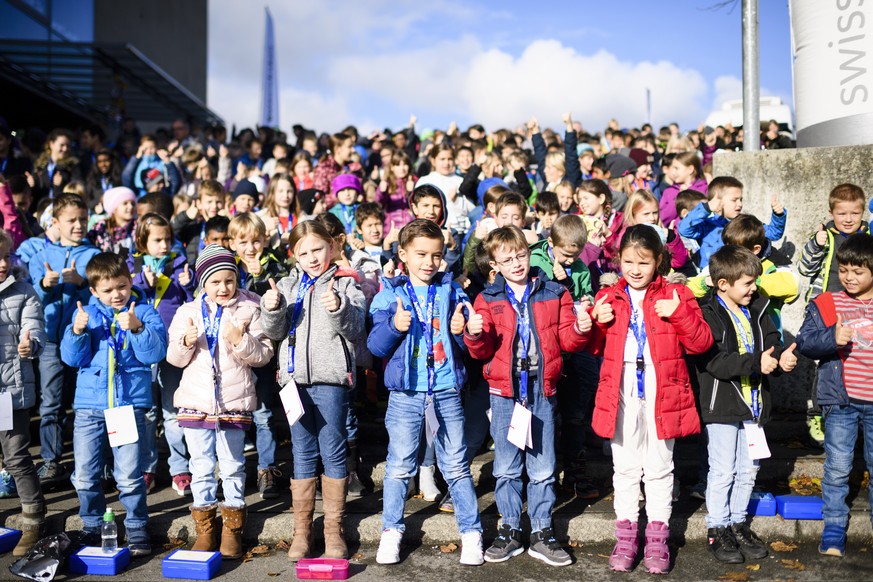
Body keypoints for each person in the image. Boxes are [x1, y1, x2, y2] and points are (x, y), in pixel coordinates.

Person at [588, 225, 713, 574]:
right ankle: (626, 537)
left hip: (664, 389)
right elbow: (591, 347)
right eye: (628, 261)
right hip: (622, 389)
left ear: (659, 260)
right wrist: (596, 324)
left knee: (659, 467)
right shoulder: (609, 296)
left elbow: (701, 343)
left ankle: (658, 538)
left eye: (644, 261)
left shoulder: (677, 294)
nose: (635, 269)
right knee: (625, 467)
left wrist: (679, 314)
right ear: (618, 261)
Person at [465, 226, 591, 566]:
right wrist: (473, 334)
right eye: (507, 259)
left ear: (529, 252)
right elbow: (482, 350)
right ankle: (509, 528)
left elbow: (567, 340)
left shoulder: (553, 291)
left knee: (543, 466)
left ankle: (541, 530)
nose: (517, 263)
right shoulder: (488, 298)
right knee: (506, 467)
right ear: (495, 265)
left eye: (521, 255)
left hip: (541, 388)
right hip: (504, 392)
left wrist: (580, 329)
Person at [368, 219, 484, 567]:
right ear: (402, 254)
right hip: (405, 394)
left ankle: (471, 532)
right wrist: (394, 326)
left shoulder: (454, 293)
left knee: (456, 466)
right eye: (420, 254)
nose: (429, 262)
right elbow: (374, 345)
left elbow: (466, 346)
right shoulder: (389, 296)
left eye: (436, 255)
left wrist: (465, 333)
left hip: (446, 391)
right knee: (399, 467)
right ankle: (391, 530)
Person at [261, 220, 366, 560]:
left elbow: (355, 328)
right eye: (303, 252)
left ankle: (333, 532)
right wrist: (273, 307)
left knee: (333, 449)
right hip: (293, 381)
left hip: (330, 379)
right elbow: (275, 332)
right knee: (303, 452)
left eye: (318, 249)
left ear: (332, 247)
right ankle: (302, 532)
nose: (312, 257)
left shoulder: (347, 283)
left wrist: (337, 307)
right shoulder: (288, 285)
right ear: (294, 255)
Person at [166, 244, 274, 558]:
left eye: (229, 280)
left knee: (232, 466)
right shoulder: (187, 312)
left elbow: (263, 356)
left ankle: (232, 530)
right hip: (196, 404)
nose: (223, 287)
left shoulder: (250, 308)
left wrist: (241, 340)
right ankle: (205, 530)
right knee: (200, 467)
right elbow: (174, 358)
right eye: (215, 282)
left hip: (233, 402)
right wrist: (186, 342)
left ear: (237, 278)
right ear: (203, 283)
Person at [60, 252, 168, 556]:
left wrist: (136, 328)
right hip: (89, 406)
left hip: (127, 405)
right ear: (93, 291)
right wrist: (77, 331)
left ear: (130, 281)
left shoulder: (145, 312)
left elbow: (154, 354)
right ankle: (92, 525)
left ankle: (136, 527)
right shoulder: (86, 313)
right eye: (107, 290)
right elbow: (71, 358)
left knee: (130, 474)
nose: (116, 295)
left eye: (121, 286)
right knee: (84, 472)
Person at [695, 245, 795, 564]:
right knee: (723, 470)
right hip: (722, 405)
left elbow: (772, 343)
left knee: (748, 469)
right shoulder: (707, 312)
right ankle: (717, 527)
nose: (754, 289)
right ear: (723, 283)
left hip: (754, 405)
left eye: (755, 283)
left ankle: (738, 522)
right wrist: (755, 363)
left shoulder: (758, 308)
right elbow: (714, 361)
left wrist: (781, 358)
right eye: (748, 283)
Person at [796, 232, 873, 559]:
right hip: (840, 401)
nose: (849, 277)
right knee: (838, 467)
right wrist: (833, 337)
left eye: (858, 272)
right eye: (844, 270)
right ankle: (834, 529)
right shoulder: (828, 302)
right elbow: (805, 342)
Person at [28, 194, 101, 485]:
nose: (79, 225)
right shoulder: (40, 256)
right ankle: (50, 460)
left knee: (84, 402)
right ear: (55, 222)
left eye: (83, 219)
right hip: (50, 341)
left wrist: (82, 284)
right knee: (51, 403)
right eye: (71, 220)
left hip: (84, 339)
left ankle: (91, 461)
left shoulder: (93, 255)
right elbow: (32, 297)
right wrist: (45, 285)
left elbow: (103, 296)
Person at [128, 213, 196, 494]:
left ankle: (179, 468)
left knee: (172, 412)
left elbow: (192, 305)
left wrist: (189, 284)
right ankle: (147, 468)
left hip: (171, 351)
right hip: (141, 351)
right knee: (145, 414)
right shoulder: (132, 266)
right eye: (157, 240)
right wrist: (142, 283)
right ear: (143, 242)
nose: (164, 245)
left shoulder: (179, 265)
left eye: (168, 239)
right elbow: (124, 298)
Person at [798, 183, 870, 447]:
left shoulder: (869, 237)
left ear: (863, 212)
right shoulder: (825, 237)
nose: (848, 219)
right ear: (831, 213)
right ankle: (819, 413)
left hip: (863, 307)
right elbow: (804, 268)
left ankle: (860, 416)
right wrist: (816, 245)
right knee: (828, 362)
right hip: (830, 308)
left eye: (854, 213)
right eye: (842, 214)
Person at [228, 212, 287, 498]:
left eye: (255, 241)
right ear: (232, 243)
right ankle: (232, 468)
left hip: (263, 352)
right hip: (233, 354)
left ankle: (267, 468)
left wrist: (260, 276)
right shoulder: (228, 268)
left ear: (265, 240)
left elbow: (279, 299)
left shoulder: (274, 266)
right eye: (243, 242)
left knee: (263, 414)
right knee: (235, 412)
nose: (250, 248)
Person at [0, 230, 48, 555]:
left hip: (7, 392)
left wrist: (31, 345)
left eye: (5, 256)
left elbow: (36, 328)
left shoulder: (25, 291)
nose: (2, 264)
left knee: (16, 456)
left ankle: (33, 517)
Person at [678, 176, 786, 269]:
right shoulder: (707, 225)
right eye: (734, 200)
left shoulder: (745, 224)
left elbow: (773, 233)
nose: (740, 204)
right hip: (711, 279)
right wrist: (706, 208)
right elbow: (684, 229)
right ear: (717, 201)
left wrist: (778, 215)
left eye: (741, 199)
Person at [172, 179, 226, 264]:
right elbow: (172, 232)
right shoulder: (194, 225)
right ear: (199, 203)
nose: (214, 206)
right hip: (194, 271)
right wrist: (186, 216)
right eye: (209, 202)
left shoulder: (226, 225)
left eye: (218, 202)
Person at [659, 152, 708, 227]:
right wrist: (678, 196)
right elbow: (664, 218)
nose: (673, 172)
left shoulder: (704, 189)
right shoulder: (669, 191)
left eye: (676, 168)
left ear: (690, 169)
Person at [257, 173, 299, 255]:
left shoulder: (301, 217)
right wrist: (265, 230)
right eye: (280, 191)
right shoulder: (261, 217)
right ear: (272, 192)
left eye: (289, 191)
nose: (285, 195)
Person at [88, 186, 137, 255]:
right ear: (114, 208)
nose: (131, 206)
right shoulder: (101, 226)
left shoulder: (137, 226)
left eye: (133, 203)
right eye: (125, 203)